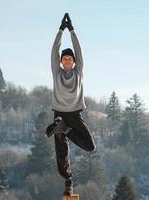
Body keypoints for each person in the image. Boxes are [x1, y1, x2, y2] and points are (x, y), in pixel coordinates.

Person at [45, 13, 96, 196]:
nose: (67, 60)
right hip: (59, 112)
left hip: (73, 114)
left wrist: (72, 30)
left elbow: (79, 49)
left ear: (74, 62)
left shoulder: (79, 72)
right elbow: (54, 50)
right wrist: (60, 30)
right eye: (64, 58)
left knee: (90, 146)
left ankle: (64, 129)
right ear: (61, 61)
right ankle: (68, 181)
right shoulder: (56, 71)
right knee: (61, 152)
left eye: (70, 59)